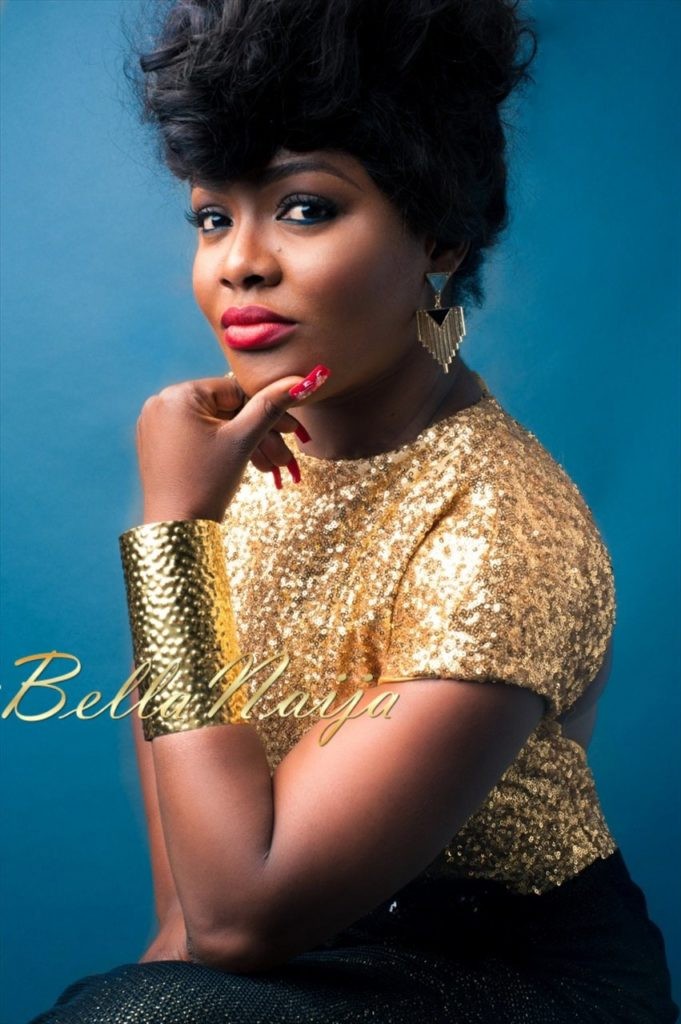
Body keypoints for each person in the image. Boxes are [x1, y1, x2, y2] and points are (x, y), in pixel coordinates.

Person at [29, 0, 677, 1021]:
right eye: (212, 216)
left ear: (440, 237)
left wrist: (171, 542)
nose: (239, 261)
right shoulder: (230, 469)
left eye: (303, 208)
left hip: (499, 975)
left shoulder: (500, 530)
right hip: (282, 966)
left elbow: (238, 920)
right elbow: (190, 920)